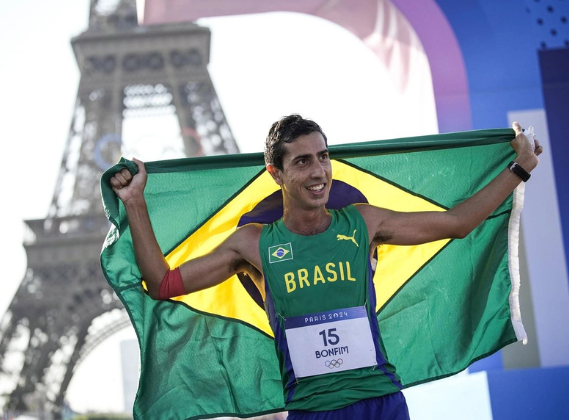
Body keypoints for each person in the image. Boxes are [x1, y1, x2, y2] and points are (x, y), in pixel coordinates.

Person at [110, 115, 542, 420]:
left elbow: (459, 223)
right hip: (312, 411)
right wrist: (135, 204)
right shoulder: (254, 245)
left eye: (323, 156)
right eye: (302, 161)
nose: (319, 171)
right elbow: (163, 283)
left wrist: (519, 168)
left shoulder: (364, 222)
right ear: (275, 173)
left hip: (381, 402)